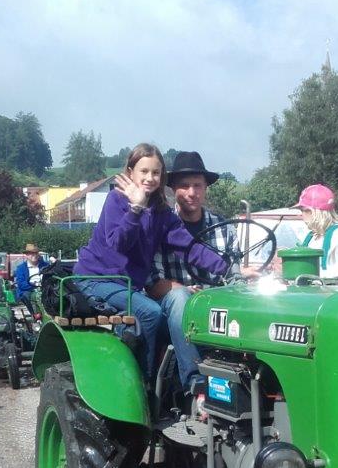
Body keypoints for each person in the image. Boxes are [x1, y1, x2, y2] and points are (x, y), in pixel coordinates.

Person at [72, 143, 229, 381]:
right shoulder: (117, 200)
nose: (150, 178)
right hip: (96, 278)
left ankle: (185, 384)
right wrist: (136, 208)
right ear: (131, 171)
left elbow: (190, 248)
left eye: (156, 172)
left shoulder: (161, 213)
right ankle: (142, 385)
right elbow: (119, 244)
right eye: (143, 171)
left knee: (166, 316)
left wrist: (227, 269)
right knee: (150, 312)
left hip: (127, 286)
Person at [149, 150, 242, 391]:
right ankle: (195, 385)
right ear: (173, 190)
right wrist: (189, 292)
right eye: (185, 186)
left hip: (217, 309)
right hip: (173, 310)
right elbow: (154, 282)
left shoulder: (224, 229)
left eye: (198, 186)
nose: (192, 193)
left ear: (205, 188)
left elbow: (235, 276)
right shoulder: (161, 227)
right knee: (180, 298)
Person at [295, 184, 338, 280]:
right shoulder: (311, 237)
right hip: (315, 291)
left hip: (337, 292)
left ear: (314, 212)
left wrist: (314, 276)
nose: (301, 215)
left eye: (303, 210)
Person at [14, 243, 48, 316]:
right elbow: (21, 284)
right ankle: (35, 315)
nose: (34, 255)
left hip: (44, 288)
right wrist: (35, 285)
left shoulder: (46, 266)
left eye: (36, 253)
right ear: (27, 255)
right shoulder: (21, 268)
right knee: (26, 296)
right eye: (31, 253)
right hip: (29, 289)